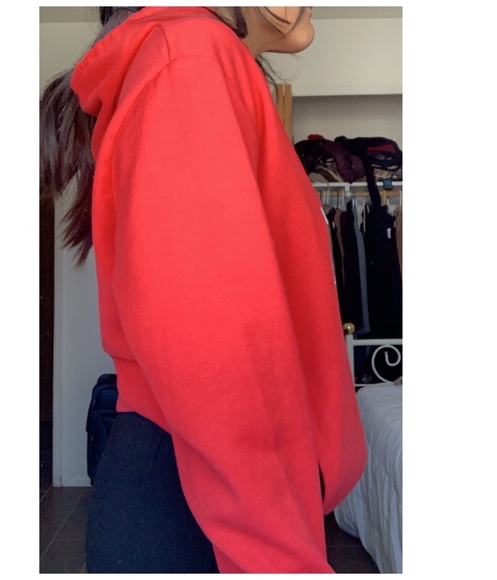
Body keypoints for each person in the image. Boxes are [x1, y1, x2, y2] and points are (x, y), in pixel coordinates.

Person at [40, 6, 367, 573]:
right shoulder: (190, 57)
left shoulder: (193, 60)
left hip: (195, 485)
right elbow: (220, 353)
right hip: (197, 495)